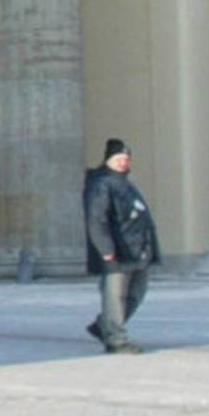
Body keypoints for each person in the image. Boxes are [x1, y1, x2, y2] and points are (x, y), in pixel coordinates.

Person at [82, 138, 159, 354]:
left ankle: (103, 325)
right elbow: (96, 219)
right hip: (116, 252)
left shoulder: (125, 184)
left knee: (137, 293)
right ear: (108, 160)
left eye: (126, 159)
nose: (123, 163)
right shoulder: (102, 184)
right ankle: (116, 340)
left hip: (136, 250)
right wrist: (106, 249)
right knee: (115, 297)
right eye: (118, 159)